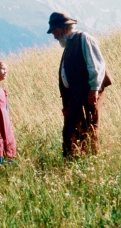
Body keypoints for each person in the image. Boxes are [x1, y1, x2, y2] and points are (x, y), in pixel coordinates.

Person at [47, 12, 111, 158]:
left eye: (55, 32)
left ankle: (91, 160)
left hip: (89, 94)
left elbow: (96, 66)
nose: (55, 37)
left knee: (90, 129)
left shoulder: (84, 39)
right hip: (75, 96)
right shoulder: (70, 44)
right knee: (71, 130)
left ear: (63, 29)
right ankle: (73, 161)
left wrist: (94, 90)